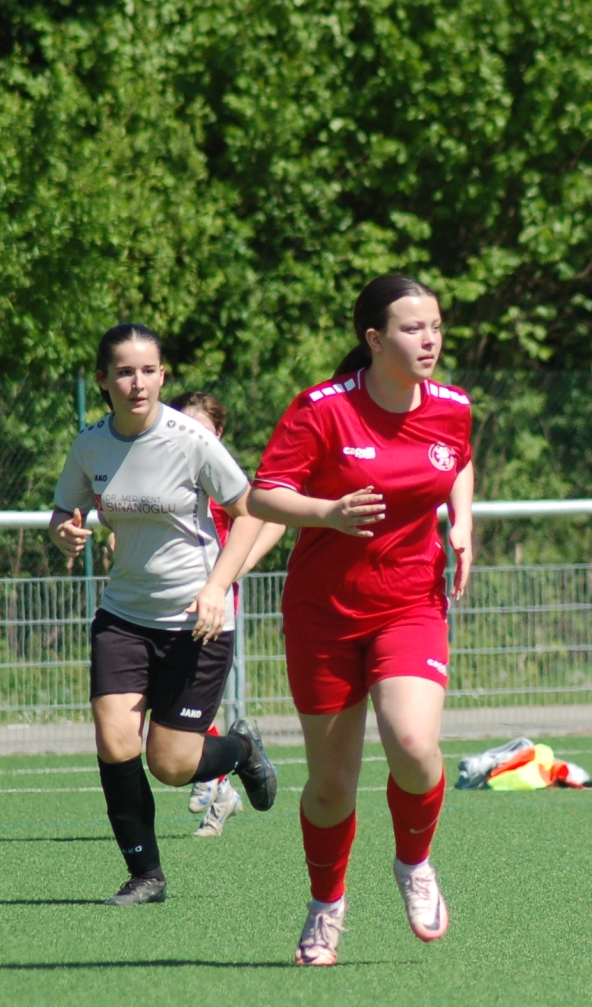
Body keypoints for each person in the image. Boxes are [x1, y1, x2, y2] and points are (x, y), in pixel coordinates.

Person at [246, 274, 475, 967]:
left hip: (410, 603)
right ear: (374, 339)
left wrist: (462, 522)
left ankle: (415, 862)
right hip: (323, 614)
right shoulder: (322, 409)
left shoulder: (453, 407)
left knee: (413, 743)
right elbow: (263, 496)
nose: (429, 340)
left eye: (435, 326)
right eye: (412, 328)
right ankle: (326, 907)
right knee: (329, 787)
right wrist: (328, 512)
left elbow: (457, 460)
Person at [51, 324, 281, 905]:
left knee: (173, 765)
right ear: (103, 380)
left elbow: (250, 511)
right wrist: (63, 532)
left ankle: (243, 749)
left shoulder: (190, 439)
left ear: (162, 376)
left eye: (149, 371)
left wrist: (216, 588)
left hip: (195, 621)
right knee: (115, 741)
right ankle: (145, 875)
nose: (138, 383)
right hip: (123, 617)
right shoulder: (90, 444)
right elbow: (63, 510)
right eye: (125, 372)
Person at [167, 390, 292, 834]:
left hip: (211, 608)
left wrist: (233, 572)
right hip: (162, 605)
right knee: (164, 704)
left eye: (201, 428)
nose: (191, 437)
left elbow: (271, 517)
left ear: (218, 433)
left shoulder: (223, 477)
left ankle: (217, 779)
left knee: (190, 706)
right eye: (181, 427)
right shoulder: (165, 472)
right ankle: (221, 786)